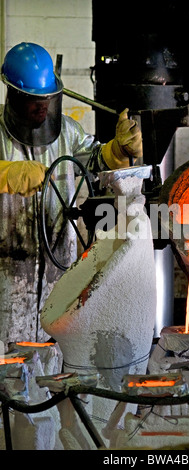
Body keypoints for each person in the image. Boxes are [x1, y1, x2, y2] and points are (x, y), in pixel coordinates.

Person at [0, 42, 142, 347]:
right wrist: (6, 173)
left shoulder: (67, 132)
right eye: (33, 101)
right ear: (13, 96)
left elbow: (95, 160)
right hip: (6, 280)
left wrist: (118, 151)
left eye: (47, 100)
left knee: (51, 369)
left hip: (58, 278)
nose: (42, 107)